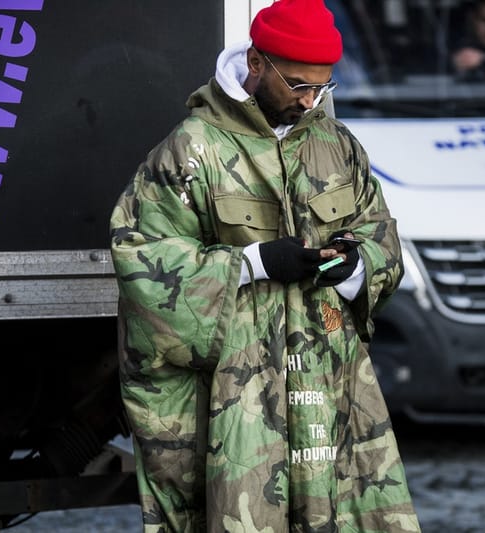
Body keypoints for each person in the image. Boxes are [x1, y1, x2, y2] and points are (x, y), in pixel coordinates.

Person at [109, 0, 421, 531]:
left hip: (328, 378)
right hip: (239, 393)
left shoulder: (337, 144)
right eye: (298, 85)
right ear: (256, 63)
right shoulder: (192, 150)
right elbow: (141, 256)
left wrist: (356, 267)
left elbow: (380, 233)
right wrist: (253, 263)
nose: (310, 101)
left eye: (324, 87)